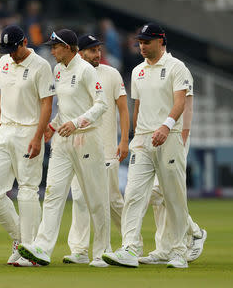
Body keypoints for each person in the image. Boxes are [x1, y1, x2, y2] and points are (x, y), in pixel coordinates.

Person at [18, 29, 111, 267]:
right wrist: (53, 125)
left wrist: (77, 123)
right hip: (62, 140)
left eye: (55, 47)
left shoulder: (86, 71)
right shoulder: (58, 70)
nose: (52, 51)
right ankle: (42, 248)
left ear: (69, 48)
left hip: (87, 138)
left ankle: (101, 252)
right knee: (52, 193)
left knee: (95, 198)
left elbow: (101, 105)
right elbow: (66, 108)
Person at [102, 23, 191, 268]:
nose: (142, 46)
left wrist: (166, 126)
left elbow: (180, 102)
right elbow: (138, 107)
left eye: (147, 42)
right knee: (132, 194)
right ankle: (130, 248)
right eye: (140, 42)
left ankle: (179, 251)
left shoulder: (177, 67)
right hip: (143, 140)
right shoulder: (138, 71)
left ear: (160, 41)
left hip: (169, 137)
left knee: (173, 196)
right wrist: (133, 137)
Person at [0, 25, 54, 267]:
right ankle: (21, 240)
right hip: (5, 130)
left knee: (28, 190)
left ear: (25, 42)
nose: (11, 54)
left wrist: (38, 135)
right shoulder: (5, 62)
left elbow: (47, 104)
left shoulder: (41, 66)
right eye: (7, 50)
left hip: (28, 131)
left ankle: (31, 250)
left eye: (14, 49)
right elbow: (3, 95)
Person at [63, 34, 129, 265]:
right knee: (80, 199)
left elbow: (122, 108)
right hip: (79, 146)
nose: (97, 54)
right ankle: (80, 250)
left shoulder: (111, 74)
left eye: (99, 49)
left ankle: (132, 242)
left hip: (106, 146)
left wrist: (124, 141)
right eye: (92, 50)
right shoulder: (73, 73)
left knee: (111, 201)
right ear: (80, 53)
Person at [140, 66, 207, 265]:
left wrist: (183, 136)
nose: (142, 47)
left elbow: (187, 105)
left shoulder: (177, 69)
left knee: (160, 190)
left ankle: (194, 233)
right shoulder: (146, 70)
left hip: (174, 135)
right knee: (157, 193)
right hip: (153, 134)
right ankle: (165, 248)